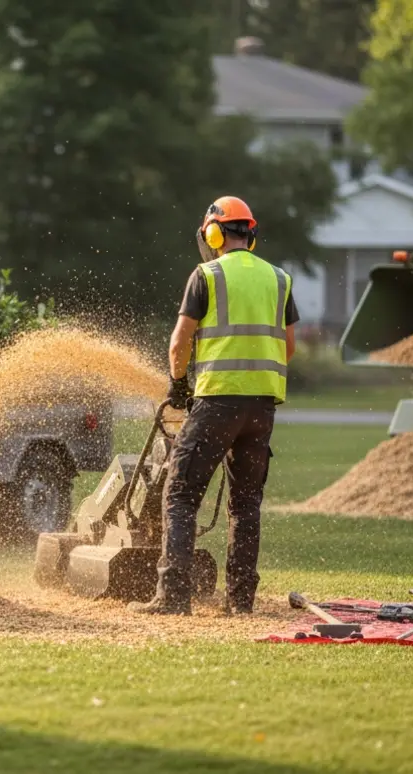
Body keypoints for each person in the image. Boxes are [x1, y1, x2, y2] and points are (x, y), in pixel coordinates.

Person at [129, 195, 297, 616]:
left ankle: (172, 598)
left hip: (217, 400)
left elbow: (179, 341)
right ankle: (240, 603)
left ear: (215, 233)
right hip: (262, 409)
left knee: (181, 494)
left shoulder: (207, 275)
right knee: (245, 504)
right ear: (251, 234)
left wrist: (179, 384)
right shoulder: (279, 279)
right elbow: (289, 347)